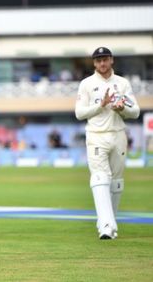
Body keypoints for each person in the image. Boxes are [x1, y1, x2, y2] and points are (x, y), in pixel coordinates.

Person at [75, 46, 140, 240]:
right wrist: (100, 105)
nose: (102, 63)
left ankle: (109, 224)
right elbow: (79, 113)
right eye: (98, 60)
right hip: (96, 135)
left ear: (111, 60)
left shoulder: (122, 83)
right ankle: (106, 225)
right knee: (100, 177)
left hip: (118, 134)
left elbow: (135, 111)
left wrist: (122, 110)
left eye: (105, 59)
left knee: (116, 182)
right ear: (94, 63)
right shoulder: (87, 84)